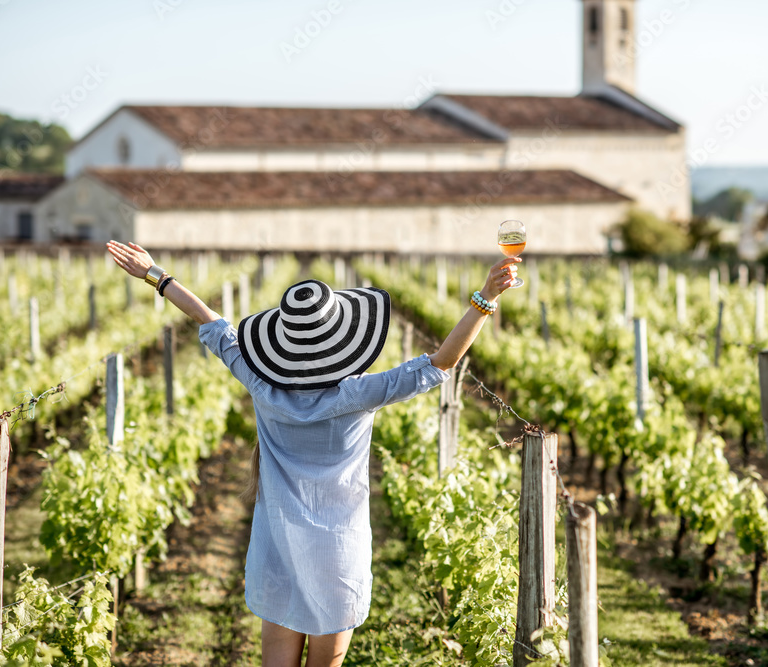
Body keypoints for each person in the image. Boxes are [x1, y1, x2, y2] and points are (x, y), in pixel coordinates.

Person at [105, 240, 520, 667]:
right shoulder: (360, 392)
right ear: (343, 340)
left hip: (277, 549)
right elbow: (442, 363)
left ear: (280, 344)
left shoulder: (260, 382)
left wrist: (156, 275)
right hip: (339, 556)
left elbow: (212, 322)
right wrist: (485, 297)